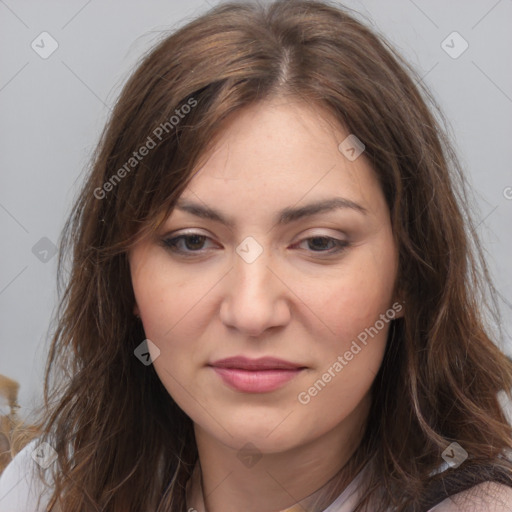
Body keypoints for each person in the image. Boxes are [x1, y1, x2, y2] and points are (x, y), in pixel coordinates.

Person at [1, 0, 511, 510]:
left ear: (409, 273)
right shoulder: (43, 489)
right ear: (124, 276)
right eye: (192, 241)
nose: (251, 312)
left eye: (319, 243)